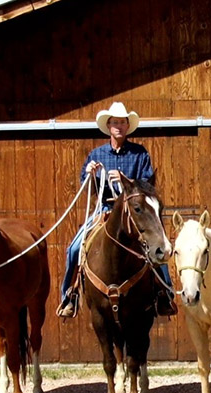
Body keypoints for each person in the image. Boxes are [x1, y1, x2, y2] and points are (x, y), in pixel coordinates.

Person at [56, 102, 177, 318]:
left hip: (134, 212)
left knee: (157, 246)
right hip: (104, 209)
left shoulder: (140, 154)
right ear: (109, 126)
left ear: (127, 126)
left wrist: (126, 181)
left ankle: (164, 294)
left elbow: (147, 185)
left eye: (122, 122)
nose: (118, 126)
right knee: (74, 249)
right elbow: (87, 185)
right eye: (114, 122)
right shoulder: (96, 154)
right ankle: (70, 295)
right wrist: (91, 174)